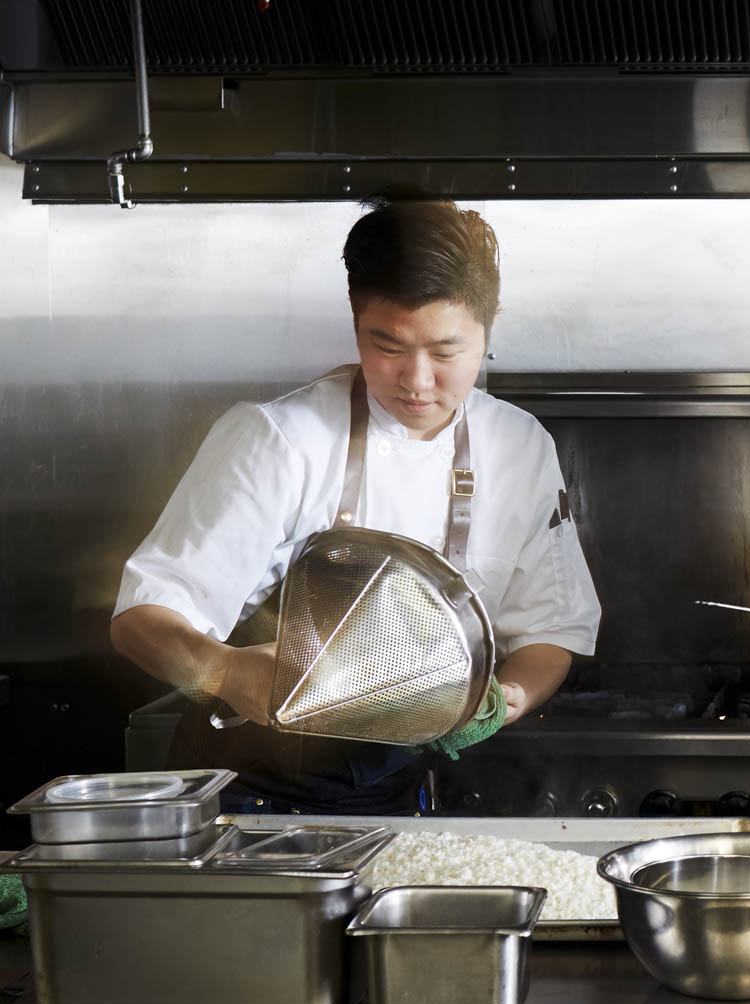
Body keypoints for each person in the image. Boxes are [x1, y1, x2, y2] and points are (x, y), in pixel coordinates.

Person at [110, 196, 602, 814]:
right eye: (387, 346)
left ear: (491, 324)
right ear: (354, 318)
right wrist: (226, 673)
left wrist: (506, 697)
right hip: (246, 797)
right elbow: (139, 621)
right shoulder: (279, 440)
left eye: (446, 352)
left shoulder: (520, 447)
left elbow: (553, 628)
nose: (416, 381)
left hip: (396, 793)